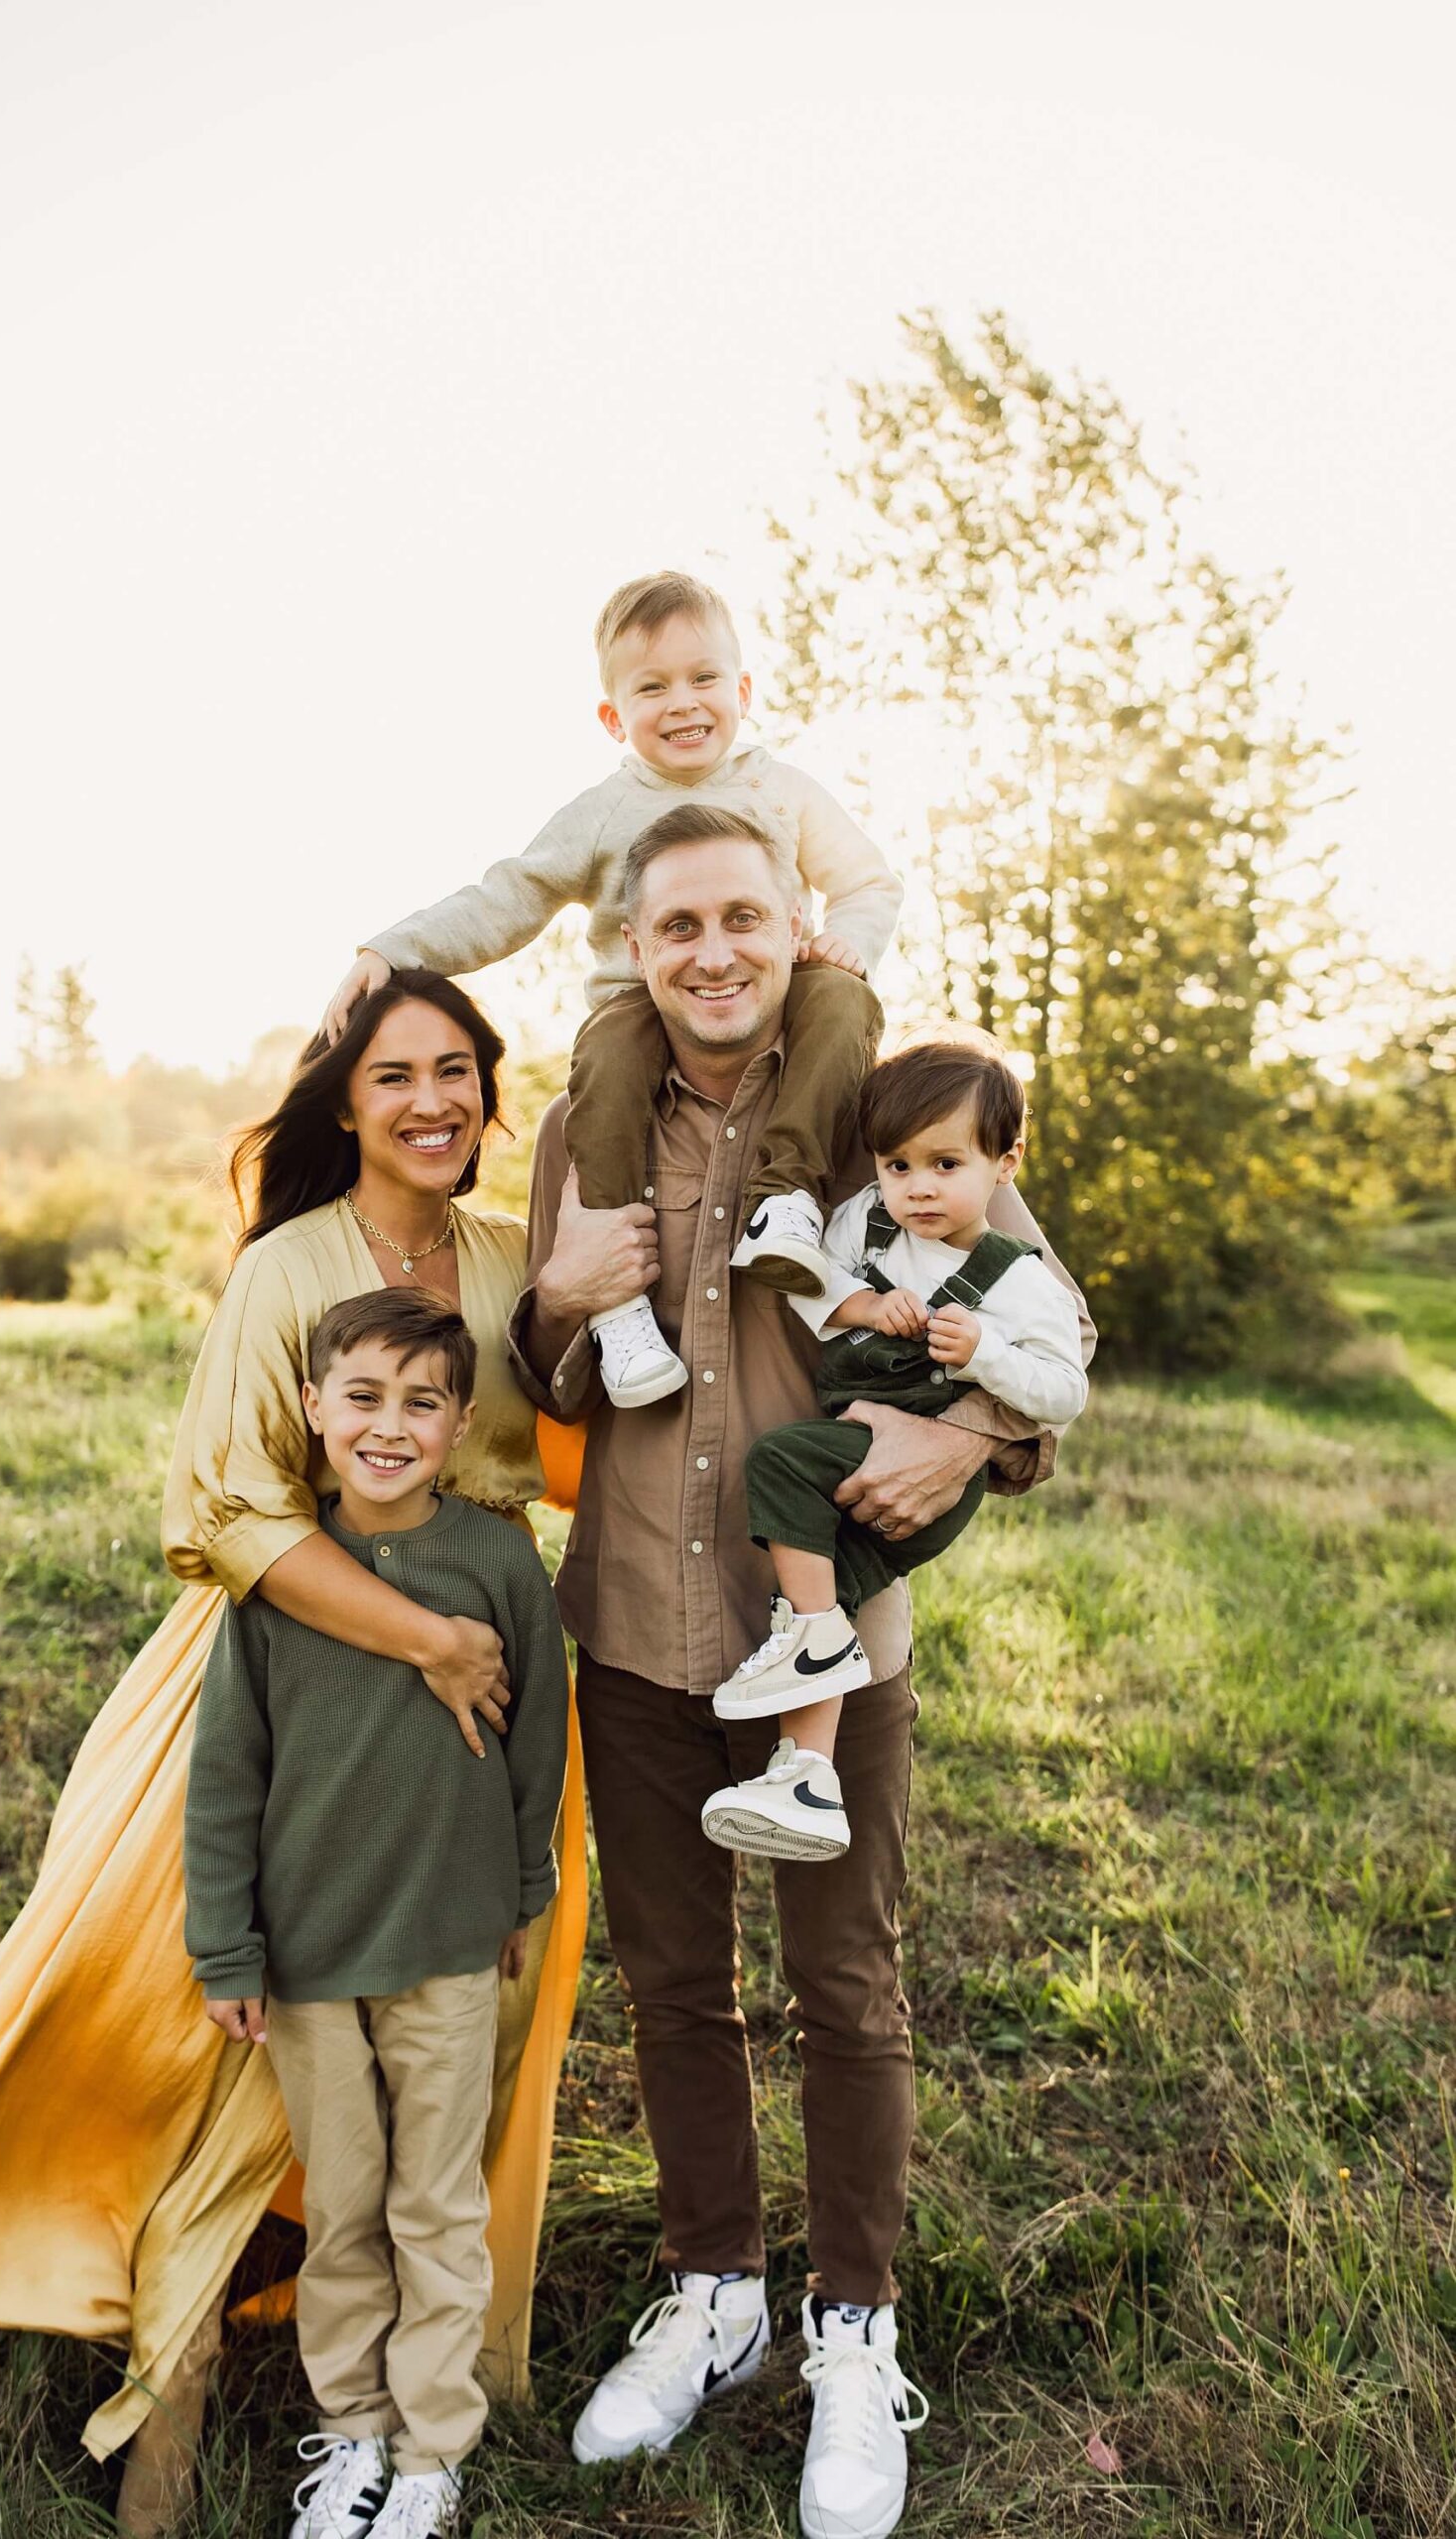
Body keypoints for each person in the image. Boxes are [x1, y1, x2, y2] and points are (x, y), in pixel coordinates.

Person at [0, 973, 588, 2536]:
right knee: (212, 2046)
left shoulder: (519, 1263)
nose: (431, 1102)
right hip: (282, 1671)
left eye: (456, 1071)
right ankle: (182, 2386)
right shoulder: (285, 1269)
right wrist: (421, 1640)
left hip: (479, 1711)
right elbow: (228, 1514)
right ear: (344, 1100)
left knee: (441, 2075)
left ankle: (422, 2426)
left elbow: (578, 1449)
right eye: (396, 1075)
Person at [510, 806, 1093, 2539]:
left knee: (846, 1992)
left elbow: (1043, 1306)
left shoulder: (880, 1116)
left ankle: (853, 2324)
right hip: (625, 1617)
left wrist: (977, 1429)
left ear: (795, 932)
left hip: (823, 1637)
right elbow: (547, 1377)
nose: (709, 951)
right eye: (675, 922)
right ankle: (714, 2290)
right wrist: (554, 1297)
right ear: (633, 944)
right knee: (672, 1986)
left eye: (740, 919)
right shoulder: (577, 1130)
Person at [321, 568, 901, 1409]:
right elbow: (511, 894)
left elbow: (868, 882)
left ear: (741, 689)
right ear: (612, 716)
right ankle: (621, 1308)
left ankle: (786, 1206)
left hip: (775, 1001)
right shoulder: (601, 810)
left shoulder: (783, 791)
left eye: (704, 678)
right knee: (607, 1064)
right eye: (651, 687)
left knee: (846, 1003)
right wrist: (396, 947)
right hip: (641, 1010)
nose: (683, 703)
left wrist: (847, 940)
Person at [184, 1287, 568, 2539]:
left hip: (453, 1946)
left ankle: (431, 2454)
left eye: (421, 1402)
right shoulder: (285, 1578)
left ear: (459, 1421)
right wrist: (227, 1945)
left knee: (436, 2204)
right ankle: (350, 2429)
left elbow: (540, 1746)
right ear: (315, 1408)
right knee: (345, 2205)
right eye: (363, 1397)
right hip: (304, 1959)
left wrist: (523, 1892)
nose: (390, 1425)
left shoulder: (500, 1561)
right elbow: (227, 1775)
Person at [701, 1028, 1089, 1862]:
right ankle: (805, 1777)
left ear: (1004, 1163)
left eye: (945, 1165)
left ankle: (807, 1639)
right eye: (897, 1165)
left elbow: (1066, 1390)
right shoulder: (863, 1226)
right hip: (856, 1450)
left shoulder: (1018, 1279)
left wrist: (984, 1353)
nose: (916, 1188)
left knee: (776, 1460)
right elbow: (808, 1284)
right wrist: (863, 1309)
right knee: (832, 1591)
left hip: (934, 1485)